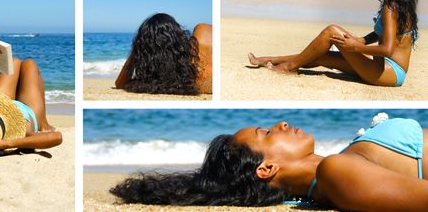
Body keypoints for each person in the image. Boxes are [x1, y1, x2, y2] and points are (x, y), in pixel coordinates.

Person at [110, 117, 428, 210]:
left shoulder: (338, 166)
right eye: (267, 132)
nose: (282, 123)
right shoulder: (336, 171)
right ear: (266, 169)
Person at [248, 0, 418, 87]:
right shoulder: (401, 1)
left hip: (389, 72)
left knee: (331, 31)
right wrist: (362, 40)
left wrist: (355, 47)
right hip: (383, 66)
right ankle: (269, 59)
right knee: (322, 56)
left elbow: (387, 49)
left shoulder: (392, 7)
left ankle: (289, 67)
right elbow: (386, 32)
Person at [115, 13, 212, 95]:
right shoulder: (201, 34)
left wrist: (138, 47)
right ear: (179, 34)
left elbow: (119, 84)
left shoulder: (186, 82)